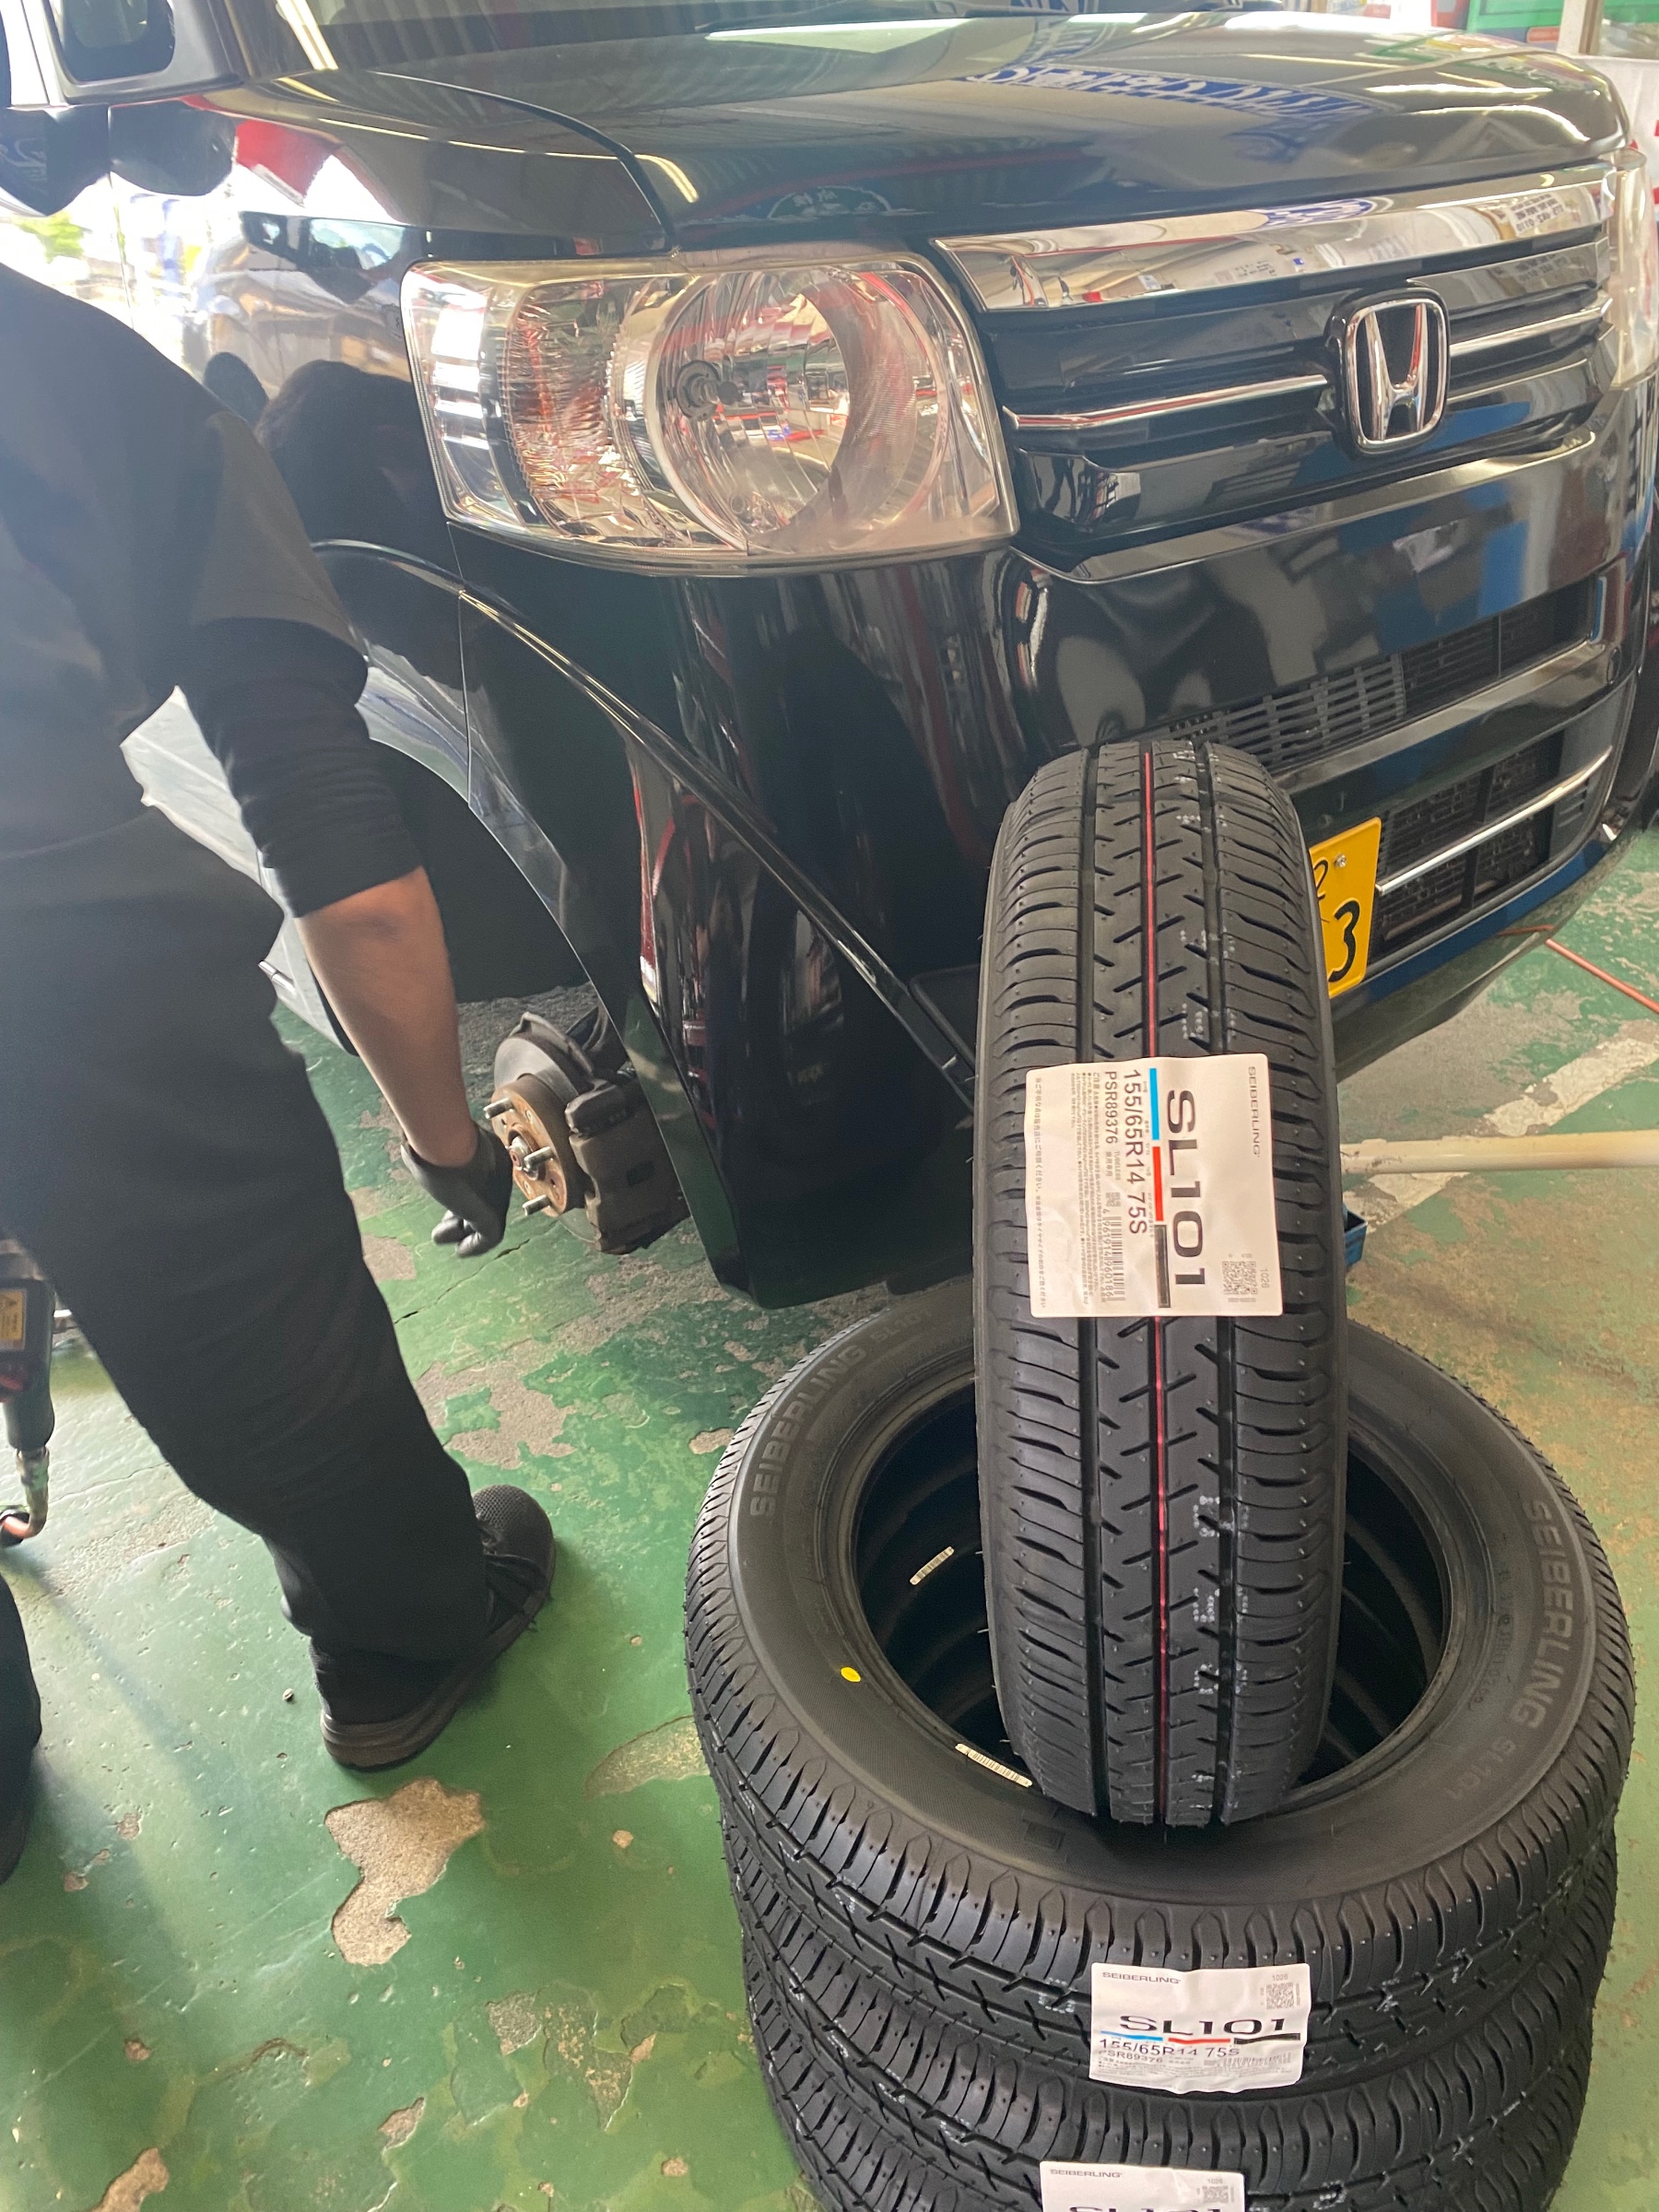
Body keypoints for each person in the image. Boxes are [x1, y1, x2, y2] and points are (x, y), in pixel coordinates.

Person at [0, 255, 557, 1886]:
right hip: (29, 890)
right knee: (241, 1278)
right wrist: (447, 1142)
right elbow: (351, 880)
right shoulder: (177, 429)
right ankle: (404, 1642)